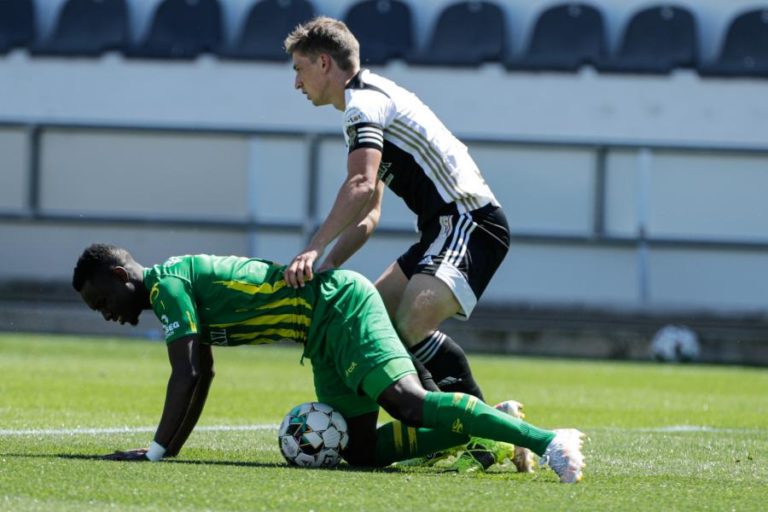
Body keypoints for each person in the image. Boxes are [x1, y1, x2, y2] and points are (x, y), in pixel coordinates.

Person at [72, 243, 585, 483]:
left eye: (102, 302)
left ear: (121, 274)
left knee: (406, 403)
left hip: (339, 307)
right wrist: (169, 450)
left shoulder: (168, 287)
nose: (107, 315)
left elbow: (183, 373)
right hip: (319, 334)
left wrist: (155, 455)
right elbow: (200, 374)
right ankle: (494, 427)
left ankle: (548, 441)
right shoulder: (171, 290)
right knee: (361, 452)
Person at [282, 17, 510, 407]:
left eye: (299, 69)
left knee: (410, 325)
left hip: (469, 222)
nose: (296, 83)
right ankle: (453, 427)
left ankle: (486, 433)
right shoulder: (367, 102)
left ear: (323, 63)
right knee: (378, 323)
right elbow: (368, 215)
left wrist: (312, 249)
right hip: (441, 230)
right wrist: (329, 263)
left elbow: (360, 185)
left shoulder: (364, 103)